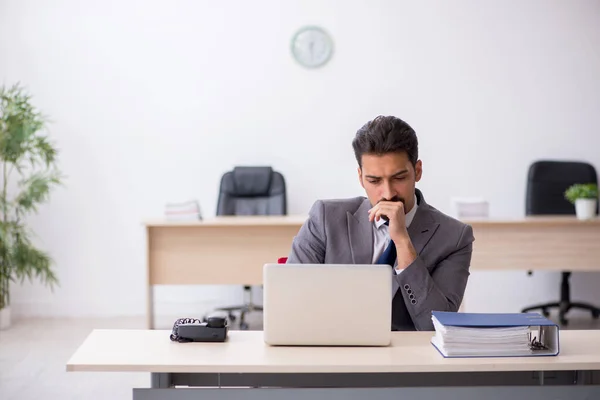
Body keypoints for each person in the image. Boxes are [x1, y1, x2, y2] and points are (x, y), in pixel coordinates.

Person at [286, 115, 475, 331]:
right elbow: (292, 303)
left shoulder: (454, 237)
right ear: (360, 177)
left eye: (399, 178)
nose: (387, 193)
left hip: (407, 360)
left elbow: (436, 328)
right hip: (333, 352)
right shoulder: (325, 219)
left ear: (418, 171)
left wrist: (403, 242)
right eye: (374, 181)